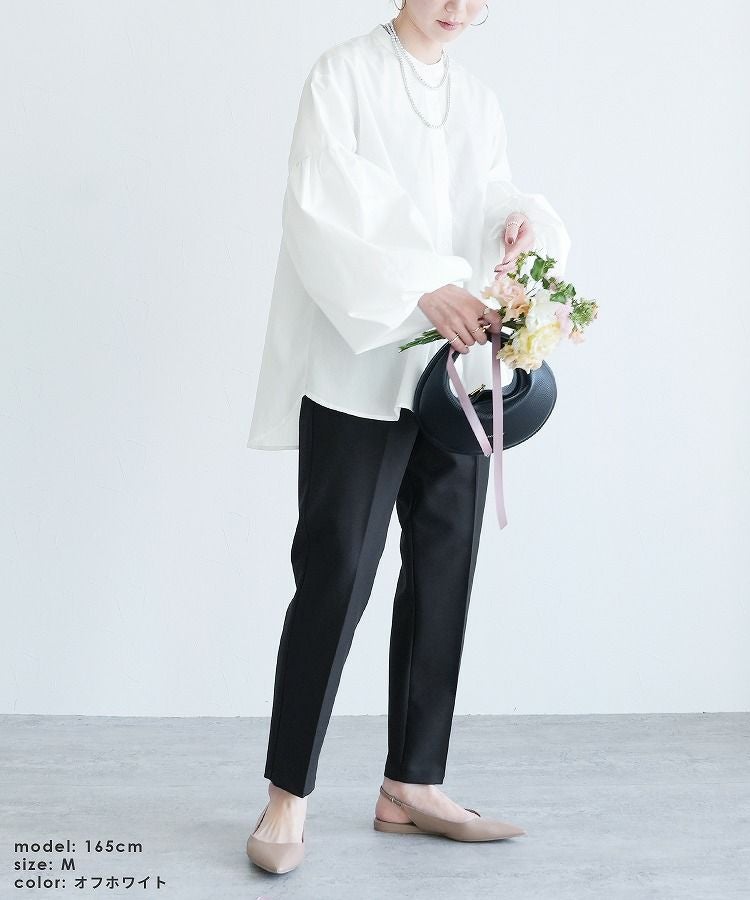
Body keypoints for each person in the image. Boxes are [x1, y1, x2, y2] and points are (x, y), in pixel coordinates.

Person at [245, 0, 570, 875]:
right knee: (337, 572)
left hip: (453, 373)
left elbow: (482, 197)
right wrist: (423, 285)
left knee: (444, 565)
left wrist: (514, 223)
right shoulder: (343, 75)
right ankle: (286, 795)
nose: (460, 8)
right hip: (358, 367)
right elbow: (321, 212)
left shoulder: (478, 100)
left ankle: (412, 784)